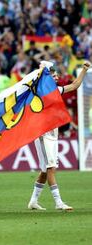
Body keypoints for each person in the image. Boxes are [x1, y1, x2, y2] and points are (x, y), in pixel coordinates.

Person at [28, 61, 91, 211]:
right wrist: (43, 69)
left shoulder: (55, 91)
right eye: (53, 75)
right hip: (43, 133)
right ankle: (58, 202)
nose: (56, 77)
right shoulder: (38, 91)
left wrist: (83, 70)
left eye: (57, 75)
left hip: (53, 132)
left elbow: (74, 85)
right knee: (51, 168)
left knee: (45, 170)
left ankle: (33, 201)